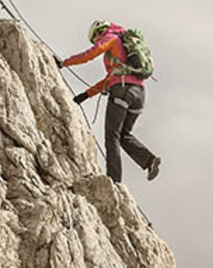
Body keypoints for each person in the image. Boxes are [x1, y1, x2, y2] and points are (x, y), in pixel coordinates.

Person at [58, 20, 161, 182]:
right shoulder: (126, 51)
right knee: (124, 135)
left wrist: (65, 63)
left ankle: (114, 181)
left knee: (111, 136)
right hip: (139, 94)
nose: (97, 41)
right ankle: (149, 160)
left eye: (95, 39)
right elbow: (110, 79)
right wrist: (85, 95)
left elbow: (90, 55)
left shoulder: (111, 38)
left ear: (99, 32)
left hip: (122, 91)